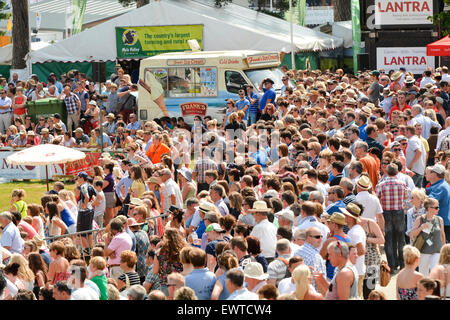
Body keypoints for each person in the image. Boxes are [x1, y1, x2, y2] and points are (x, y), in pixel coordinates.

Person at [375, 163, 409, 271]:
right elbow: (405, 197)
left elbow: (377, 198)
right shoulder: (402, 184)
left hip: (386, 212)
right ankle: (402, 263)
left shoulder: (381, 184)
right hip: (399, 212)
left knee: (388, 238)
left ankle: (392, 264)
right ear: (397, 172)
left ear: (387, 172)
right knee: (400, 238)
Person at [409, 197, 446, 277]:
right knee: (423, 274)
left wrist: (444, 248)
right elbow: (412, 234)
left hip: (437, 251)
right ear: (429, 208)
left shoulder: (439, 219)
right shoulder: (420, 219)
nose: (438, 209)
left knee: (435, 273)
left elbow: (442, 234)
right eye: (436, 207)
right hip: (423, 251)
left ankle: (434, 288)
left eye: (438, 207)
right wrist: (421, 228)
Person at [425, 164, 450, 242]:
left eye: (431, 172)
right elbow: (428, 190)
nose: (429, 173)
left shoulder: (441, 187)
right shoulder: (441, 184)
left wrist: (419, 195)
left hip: (442, 223)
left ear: (435, 174)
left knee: (441, 247)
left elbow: (430, 201)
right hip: (441, 222)